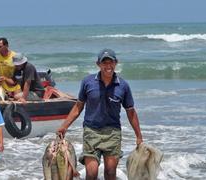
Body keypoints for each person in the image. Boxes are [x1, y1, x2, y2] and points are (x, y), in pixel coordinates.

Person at [57, 49, 143, 180]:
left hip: (113, 132)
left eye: (111, 62)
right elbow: (78, 106)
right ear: (98, 64)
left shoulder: (123, 86)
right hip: (91, 131)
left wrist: (139, 136)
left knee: (110, 172)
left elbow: (131, 112)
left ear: (116, 63)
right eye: (104, 63)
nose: (108, 66)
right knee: (91, 174)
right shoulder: (88, 82)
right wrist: (64, 126)